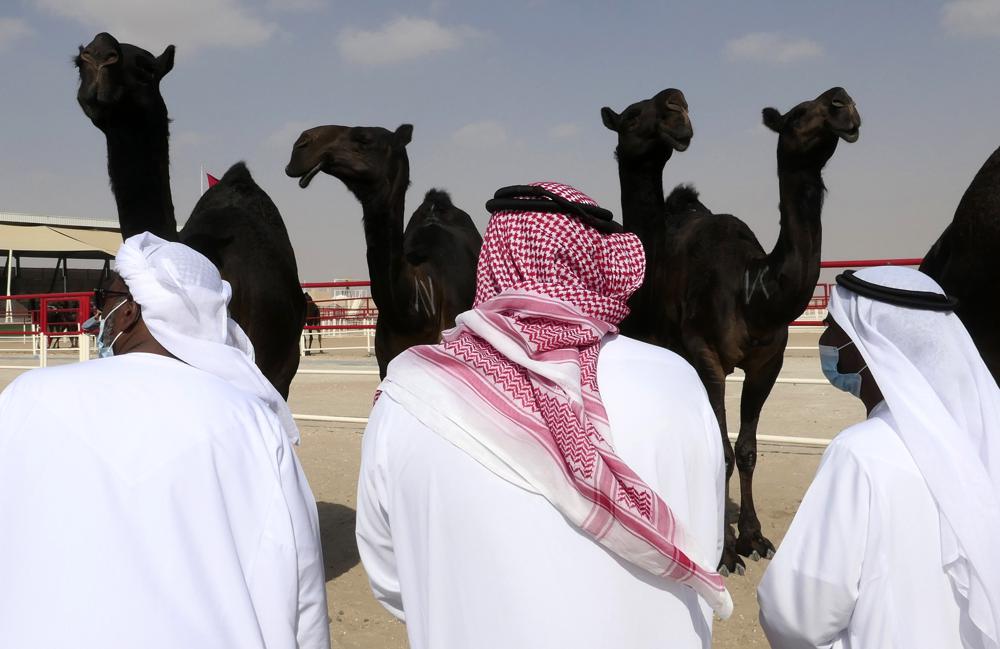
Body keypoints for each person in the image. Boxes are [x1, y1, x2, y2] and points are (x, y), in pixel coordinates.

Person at [356, 182, 732, 649]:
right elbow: (706, 543)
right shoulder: (678, 380)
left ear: (493, 257)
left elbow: (392, 581)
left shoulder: (407, 394)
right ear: (599, 261)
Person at [0, 233, 330, 649]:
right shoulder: (252, 424)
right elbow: (302, 598)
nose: (99, 309)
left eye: (107, 296)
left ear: (129, 312)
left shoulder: (27, 396)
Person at [758, 266, 1000, 649]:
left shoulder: (861, 453)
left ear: (867, 343)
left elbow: (796, 616)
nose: (826, 340)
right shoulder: (984, 435)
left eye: (834, 328)